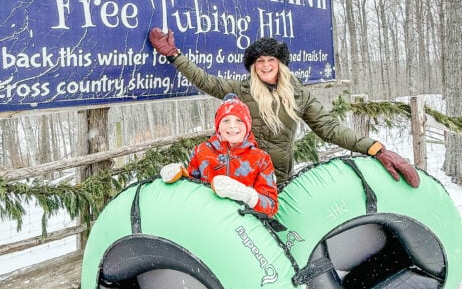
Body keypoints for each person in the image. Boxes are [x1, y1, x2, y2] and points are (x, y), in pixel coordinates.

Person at [149, 29, 420, 188]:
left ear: (280, 63)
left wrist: (375, 148)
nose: (265, 65)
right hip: (241, 178)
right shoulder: (242, 90)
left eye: (271, 60)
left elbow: (329, 128)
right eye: (259, 61)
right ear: (253, 66)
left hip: (278, 181)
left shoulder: (298, 94)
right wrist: (174, 56)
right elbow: (204, 81)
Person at [160, 93, 279, 217]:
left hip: (244, 227)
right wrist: (180, 177)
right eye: (226, 120)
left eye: (239, 120)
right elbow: (190, 192)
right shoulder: (201, 152)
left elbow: (271, 207)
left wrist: (246, 194)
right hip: (208, 221)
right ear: (218, 126)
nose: (232, 126)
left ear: (247, 126)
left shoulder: (261, 159)